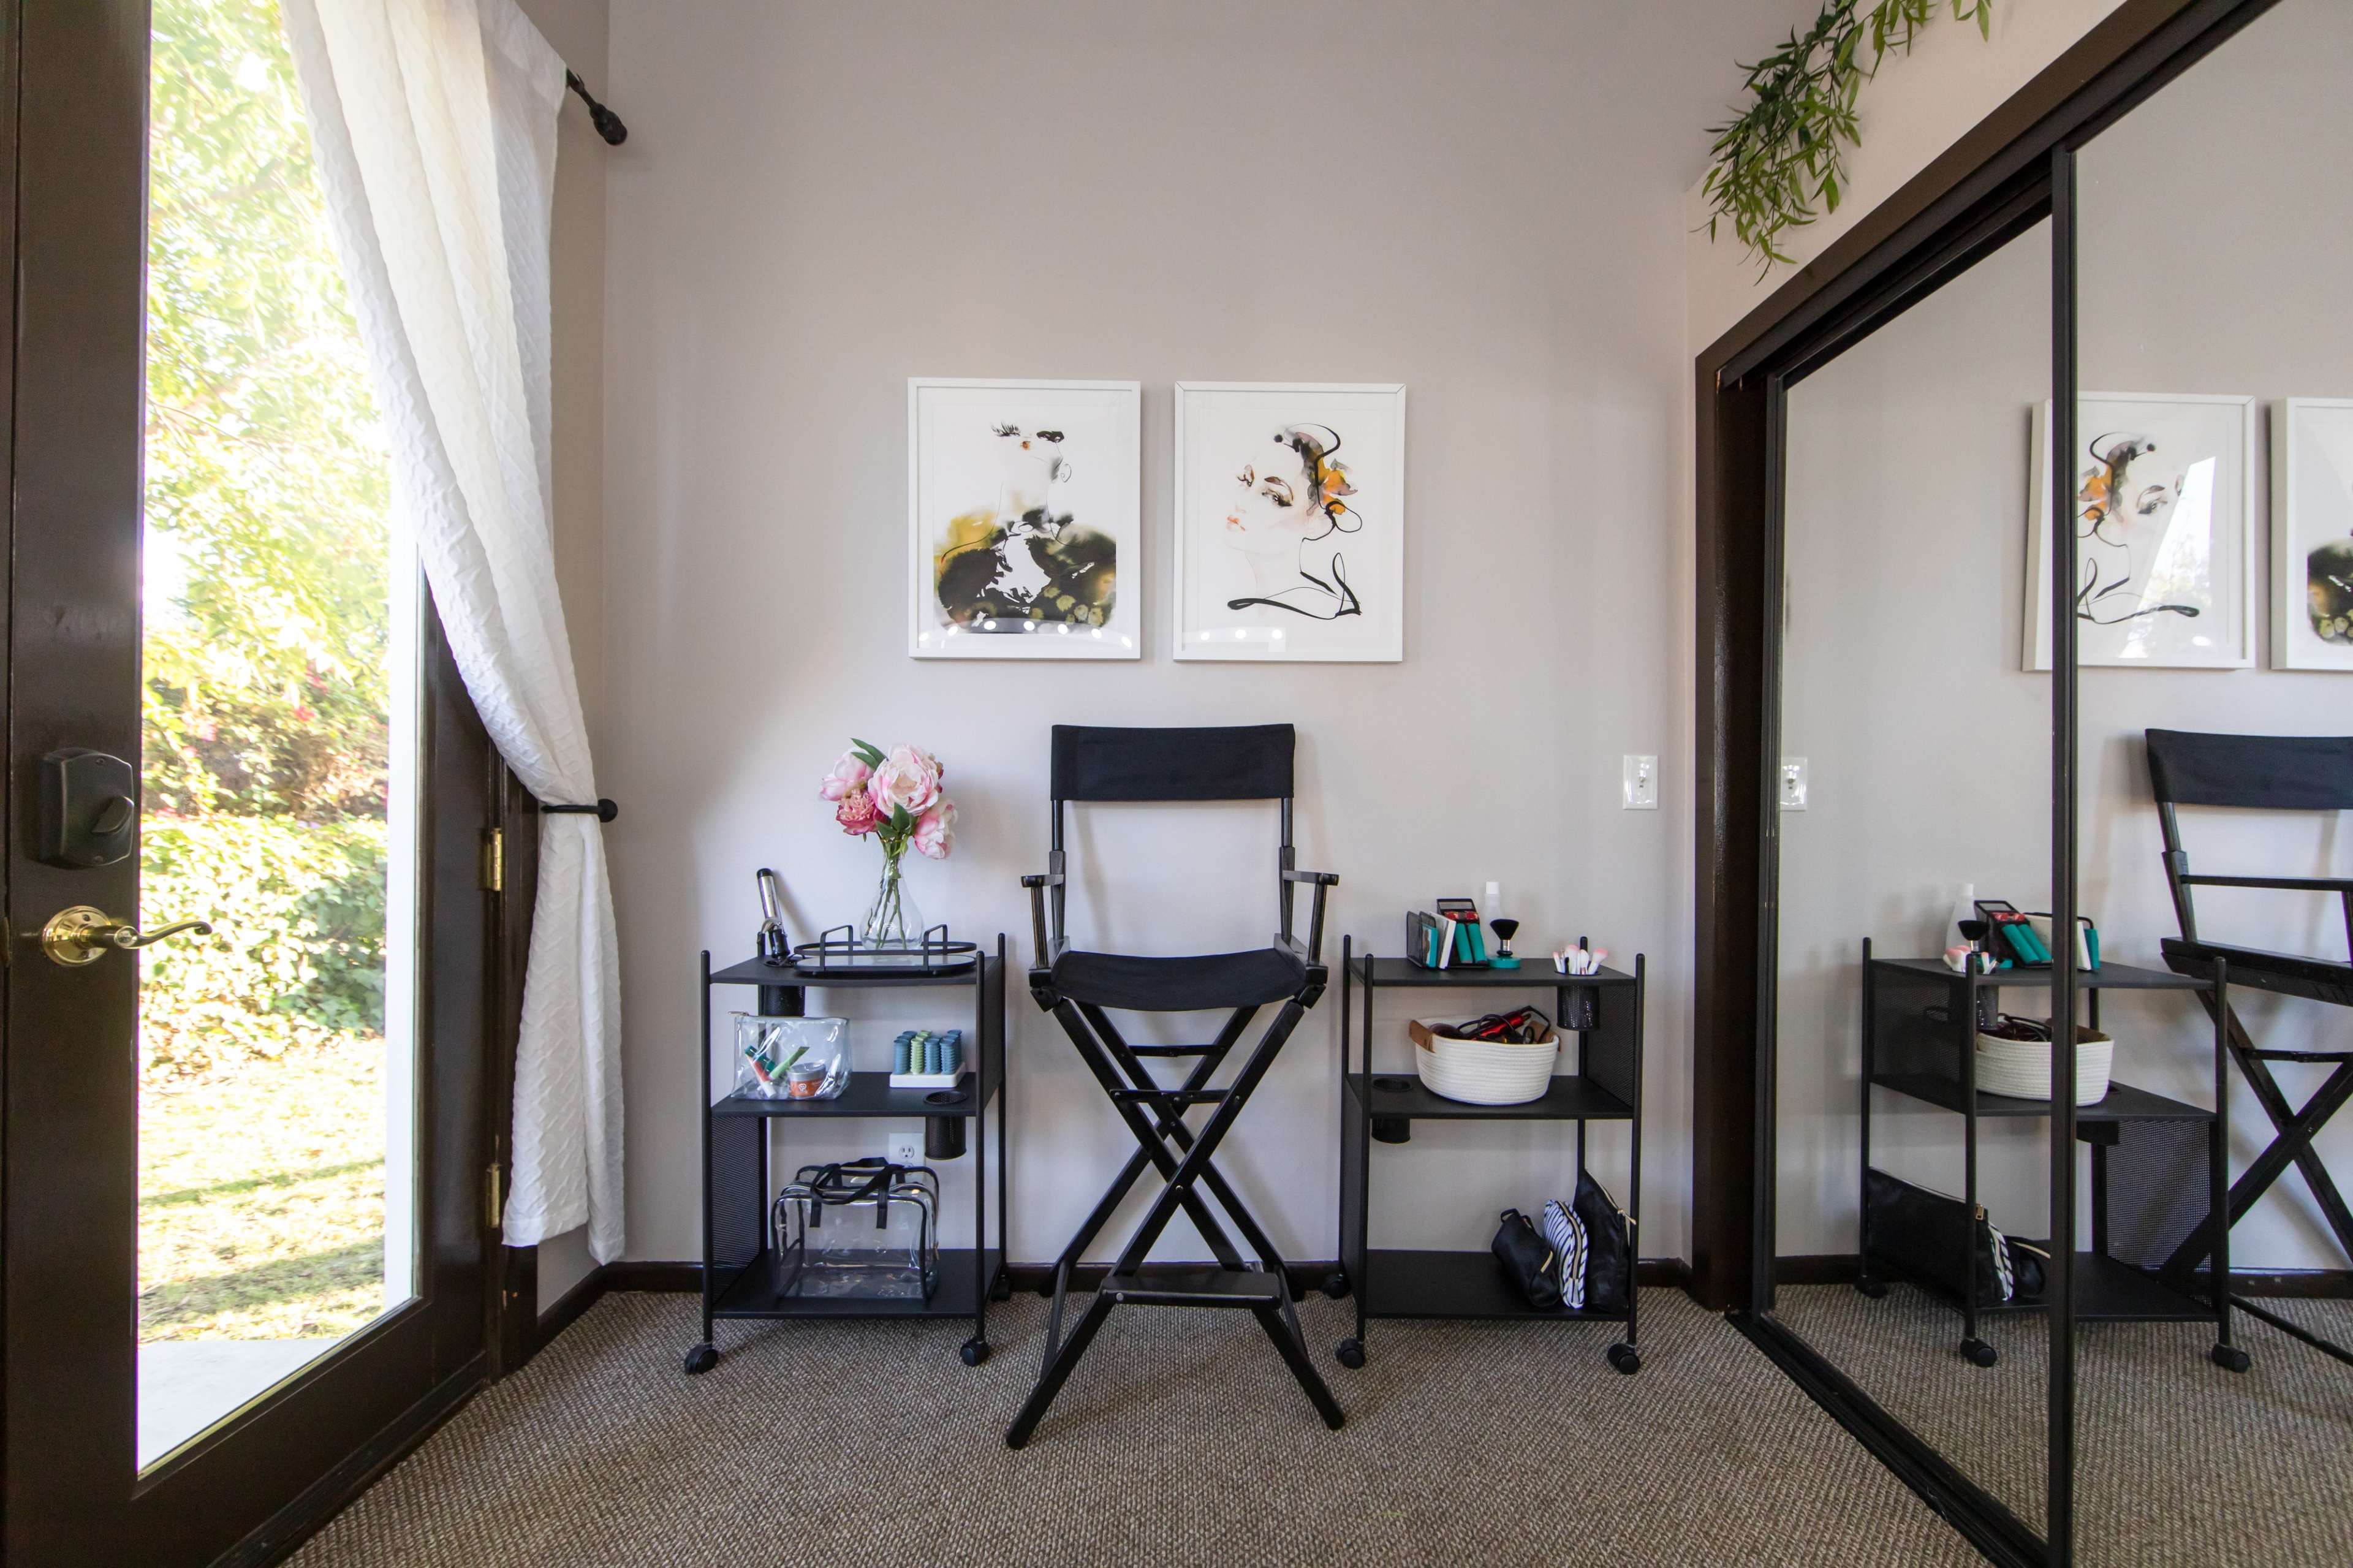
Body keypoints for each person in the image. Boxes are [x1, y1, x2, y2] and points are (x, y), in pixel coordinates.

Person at [1221, 423, 1363, 621]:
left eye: (1273, 496)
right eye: (1247, 480)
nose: (1242, 502)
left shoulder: (1320, 611)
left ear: (1317, 522)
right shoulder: (1242, 600)